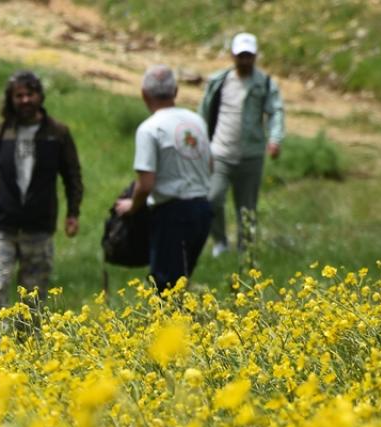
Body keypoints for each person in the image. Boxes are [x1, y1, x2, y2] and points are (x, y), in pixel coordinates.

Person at [0, 70, 83, 314]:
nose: (25, 100)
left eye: (30, 94)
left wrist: (73, 213)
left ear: (40, 96)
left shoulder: (57, 134)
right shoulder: (0, 133)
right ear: (11, 99)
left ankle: (29, 338)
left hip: (39, 227)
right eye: (19, 95)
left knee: (33, 298)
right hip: (2, 226)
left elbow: (72, 175)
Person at [115, 65, 214, 293]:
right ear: (176, 91)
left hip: (172, 214)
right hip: (203, 210)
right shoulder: (196, 121)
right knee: (181, 281)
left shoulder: (149, 129)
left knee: (165, 286)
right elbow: (211, 165)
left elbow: (146, 184)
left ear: (144, 94)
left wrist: (132, 206)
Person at [199, 32, 285, 257]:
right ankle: (220, 242)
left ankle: (245, 250)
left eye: (249, 56)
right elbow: (204, 111)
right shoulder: (219, 82)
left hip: (251, 155)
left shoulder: (264, 83)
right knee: (212, 199)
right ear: (233, 56)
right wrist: (200, 141)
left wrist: (275, 139)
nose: (245, 60)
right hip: (220, 153)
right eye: (241, 56)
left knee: (247, 208)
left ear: (255, 56)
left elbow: (275, 111)